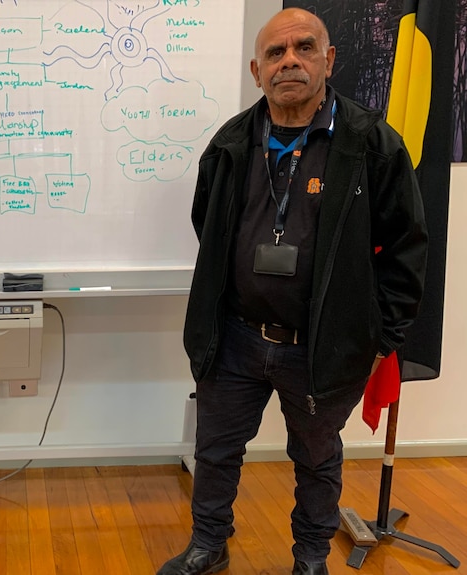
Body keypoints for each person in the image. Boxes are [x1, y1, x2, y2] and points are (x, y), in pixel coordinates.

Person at [158, 8, 427, 575]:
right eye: (275, 54)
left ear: (328, 60)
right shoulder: (231, 143)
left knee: (316, 457)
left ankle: (309, 559)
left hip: (324, 345)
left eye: (304, 48)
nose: (290, 62)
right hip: (234, 337)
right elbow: (207, 224)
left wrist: (382, 338)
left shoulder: (372, 145)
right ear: (257, 71)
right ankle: (209, 545)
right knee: (214, 450)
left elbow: (407, 247)